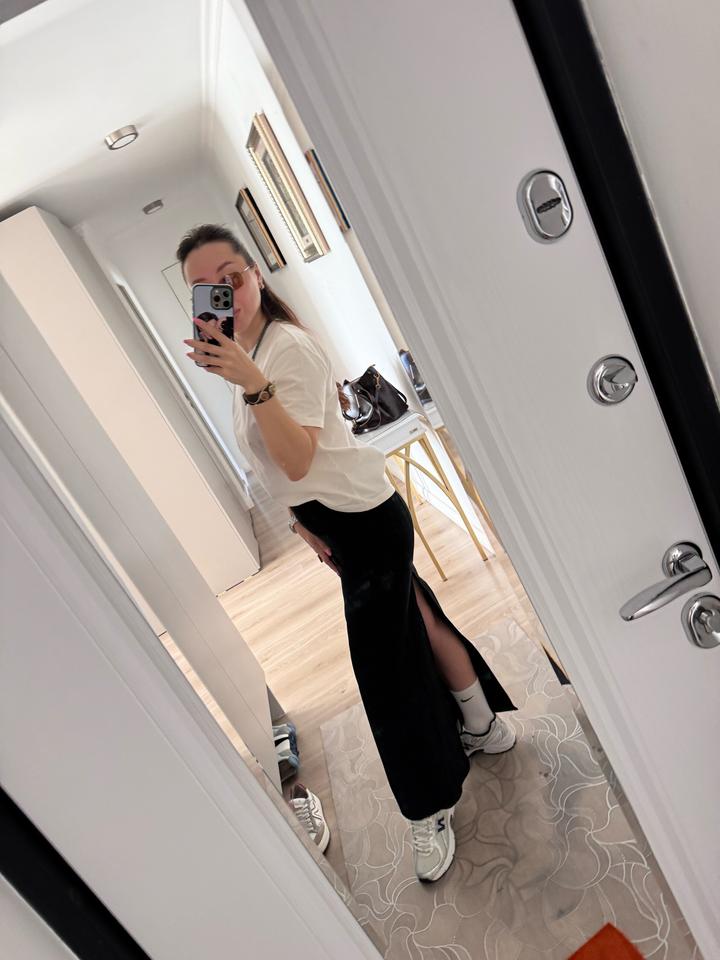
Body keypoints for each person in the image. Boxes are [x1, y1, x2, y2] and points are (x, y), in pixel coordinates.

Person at [179, 224, 517, 882]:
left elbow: (297, 459)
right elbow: (278, 468)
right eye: (204, 287)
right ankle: (484, 727)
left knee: (384, 675)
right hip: (344, 519)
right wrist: (304, 528)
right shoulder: (250, 353)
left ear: (255, 276)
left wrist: (253, 383)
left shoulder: (285, 352)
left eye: (233, 277)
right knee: (419, 618)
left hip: (364, 522)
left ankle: (429, 805)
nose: (225, 294)